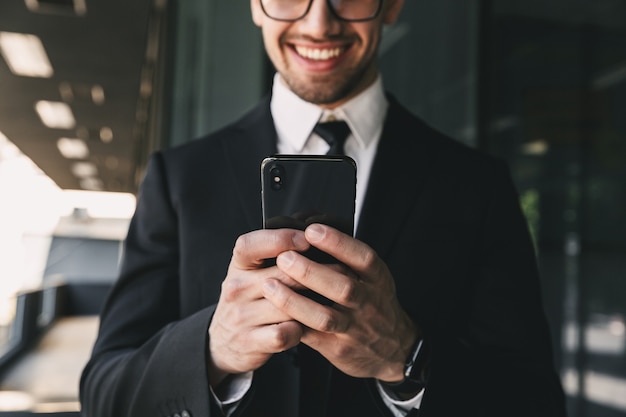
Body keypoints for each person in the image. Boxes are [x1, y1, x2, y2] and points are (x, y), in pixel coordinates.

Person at [80, 0, 567, 416]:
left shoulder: (477, 184)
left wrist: (407, 356)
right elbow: (103, 391)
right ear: (255, 5)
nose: (319, 24)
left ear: (392, 4)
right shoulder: (179, 176)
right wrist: (213, 350)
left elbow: (536, 401)